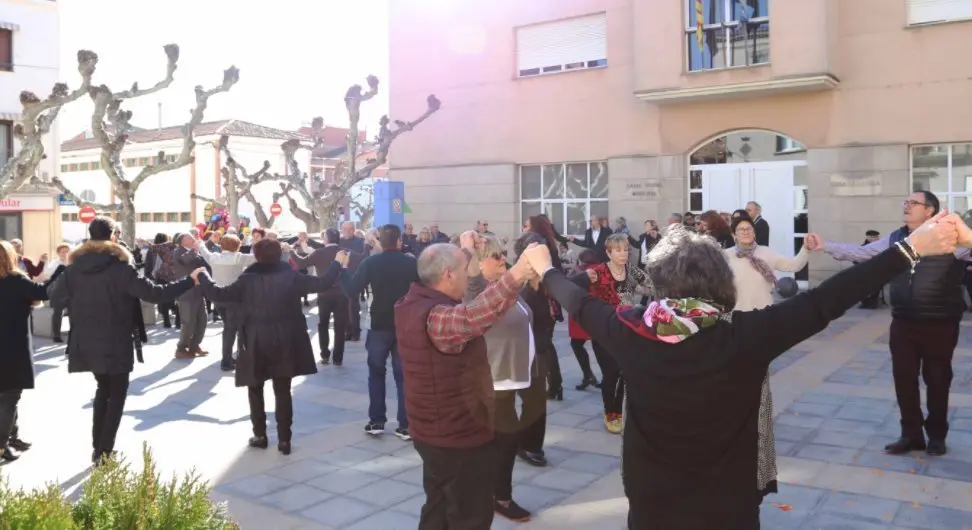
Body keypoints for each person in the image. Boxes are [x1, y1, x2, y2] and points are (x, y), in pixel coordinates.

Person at [520, 213, 961, 530]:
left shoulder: (629, 330)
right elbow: (828, 300)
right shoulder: (747, 335)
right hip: (726, 504)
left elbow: (579, 301)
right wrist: (911, 248)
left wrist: (544, 267)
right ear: (720, 284)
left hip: (652, 499)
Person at [806, 191, 967, 456]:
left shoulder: (949, 238)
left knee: (937, 379)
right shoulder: (895, 239)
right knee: (903, 378)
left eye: (913, 203)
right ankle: (911, 435)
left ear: (930, 211)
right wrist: (826, 245)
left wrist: (961, 228)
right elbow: (862, 253)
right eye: (906, 202)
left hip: (940, 323)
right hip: (903, 322)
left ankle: (937, 436)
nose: (907, 206)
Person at [394, 234, 537, 530]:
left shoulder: (412, 301)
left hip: (431, 430)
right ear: (447, 274)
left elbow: (476, 306)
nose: (467, 275)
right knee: (469, 513)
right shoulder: (436, 316)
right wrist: (518, 272)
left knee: (439, 503)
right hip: (454, 433)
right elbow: (473, 316)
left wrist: (466, 249)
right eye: (463, 270)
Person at [48, 217, 194, 464]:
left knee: (103, 389)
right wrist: (190, 281)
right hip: (115, 341)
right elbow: (155, 294)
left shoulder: (73, 269)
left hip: (86, 340)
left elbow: (53, 296)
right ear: (114, 236)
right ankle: (103, 451)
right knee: (115, 394)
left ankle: (99, 448)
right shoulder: (121, 269)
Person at [193, 239, 343, 455]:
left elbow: (219, 294)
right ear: (277, 254)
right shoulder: (290, 276)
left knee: (255, 387)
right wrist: (337, 263)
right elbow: (322, 283)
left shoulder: (247, 279)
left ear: (256, 254)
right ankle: (284, 439)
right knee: (282, 389)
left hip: (255, 338)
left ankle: (260, 435)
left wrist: (203, 275)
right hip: (286, 338)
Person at [725, 215, 809, 498]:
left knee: (758, 370)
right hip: (734, 321)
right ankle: (739, 413)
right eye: (740, 230)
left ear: (753, 232)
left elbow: (794, 266)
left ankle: (757, 418)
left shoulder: (765, 254)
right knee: (736, 371)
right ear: (734, 234)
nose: (745, 232)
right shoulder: (725, 257)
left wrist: (806, 248)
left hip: (762, 320)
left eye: (748, 228)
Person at [463, 234, 536, 522]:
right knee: (504, 440)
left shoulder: (504, 289)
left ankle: (491, 493)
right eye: (495, 256)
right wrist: (468, 247)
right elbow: (468, 278)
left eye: (502, 253)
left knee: (503, 440)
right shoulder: (478, 290)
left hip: (511, 377)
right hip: (494, 379)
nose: (502, 259)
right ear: (479, 264)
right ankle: (499, 498)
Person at [337, 224, 418, 439]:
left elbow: (351, 291)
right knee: (404, 376)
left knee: (376, 373)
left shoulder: (371, 263)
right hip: (405, 325)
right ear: (400, 241)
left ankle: (376, 421)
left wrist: (343, 269)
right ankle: (405, 425)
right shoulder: (411, 264)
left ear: (380, 242)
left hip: (378, 325)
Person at [0, 241, 63, 462]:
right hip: (11, 347)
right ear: (10, 258)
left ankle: (11, 436)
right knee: (9, 396)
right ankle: (1, 444)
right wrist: (61, 272)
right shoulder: (15, 280)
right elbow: (45, 292)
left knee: (7, 394)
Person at [582, 233, 649, 435]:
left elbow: (652, 286)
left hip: (626, 329)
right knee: (611, 373)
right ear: (608, 252)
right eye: (618, 250)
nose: (623, 254)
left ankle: (618, 411)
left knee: (623, 372)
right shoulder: (598, 272)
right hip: (603, 329)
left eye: (626, 249)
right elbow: (578, 290)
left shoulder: (632, 271)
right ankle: (610, 413)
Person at [292, 228, 352, 366]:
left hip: (324, 294)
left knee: (323, 324)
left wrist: (291, 251)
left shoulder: (320, 253)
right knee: (340, 327)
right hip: (342, 295)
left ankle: (324, 354)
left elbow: (301, 263)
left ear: (326, 239)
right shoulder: (346, 251)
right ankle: (338, 358)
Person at [196, 234, 255, 371]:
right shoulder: (239, 257)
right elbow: (260, 256)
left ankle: (228, 359)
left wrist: (200, 243)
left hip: (217, 297)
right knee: (232, 329)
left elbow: (204, 252)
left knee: (229, 327)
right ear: (237, 246)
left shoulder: (215, 257)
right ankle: (227, 361)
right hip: (234, 298)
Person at [568, 249, 603, 391]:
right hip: (598, 313)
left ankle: (587, 374)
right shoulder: (602, 270)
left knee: (577, 344)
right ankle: (608, 377)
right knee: (600, 346)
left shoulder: (577, 272)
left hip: (580, 313)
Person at [173, 233, 209, 358]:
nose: (192, 237)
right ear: (182, 241)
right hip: (187, 293)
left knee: (202, 321)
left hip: (199, 291)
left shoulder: (195, 251)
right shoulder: (178, 252)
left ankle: (195, 345)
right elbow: (184, 260)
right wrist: (195, 250)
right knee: (188, 322)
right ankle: (181, 348)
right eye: (188, 237)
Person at [43, 243, 71, 343]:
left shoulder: (73, 262)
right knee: (58, 313)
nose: (65, 253)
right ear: (58, 253)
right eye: (62, 252)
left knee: (74, 313)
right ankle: (56, 335)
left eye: (67, 251)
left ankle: (73, 334)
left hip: (72, 292)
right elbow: (47, 275)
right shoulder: (55, 263)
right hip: (58, 292)